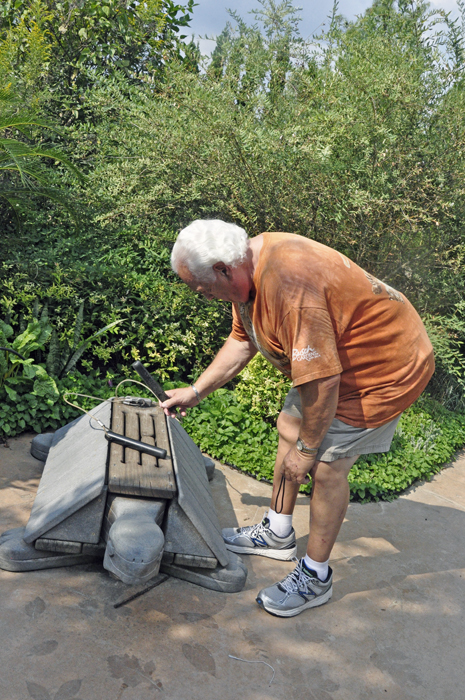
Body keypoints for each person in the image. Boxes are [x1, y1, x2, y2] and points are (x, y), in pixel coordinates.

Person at [162, 219, 434, 618]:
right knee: (289, 427)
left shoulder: (289, 284)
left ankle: (315, 576)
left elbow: (323, 382)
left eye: (203, 291)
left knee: (326, 466)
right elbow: (243, 340)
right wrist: (197, 390)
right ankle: (277, 531)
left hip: (384, 368)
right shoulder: (248, 267)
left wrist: (307, 452)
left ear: (224, 269)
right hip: (335, 359)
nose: (206, 298)